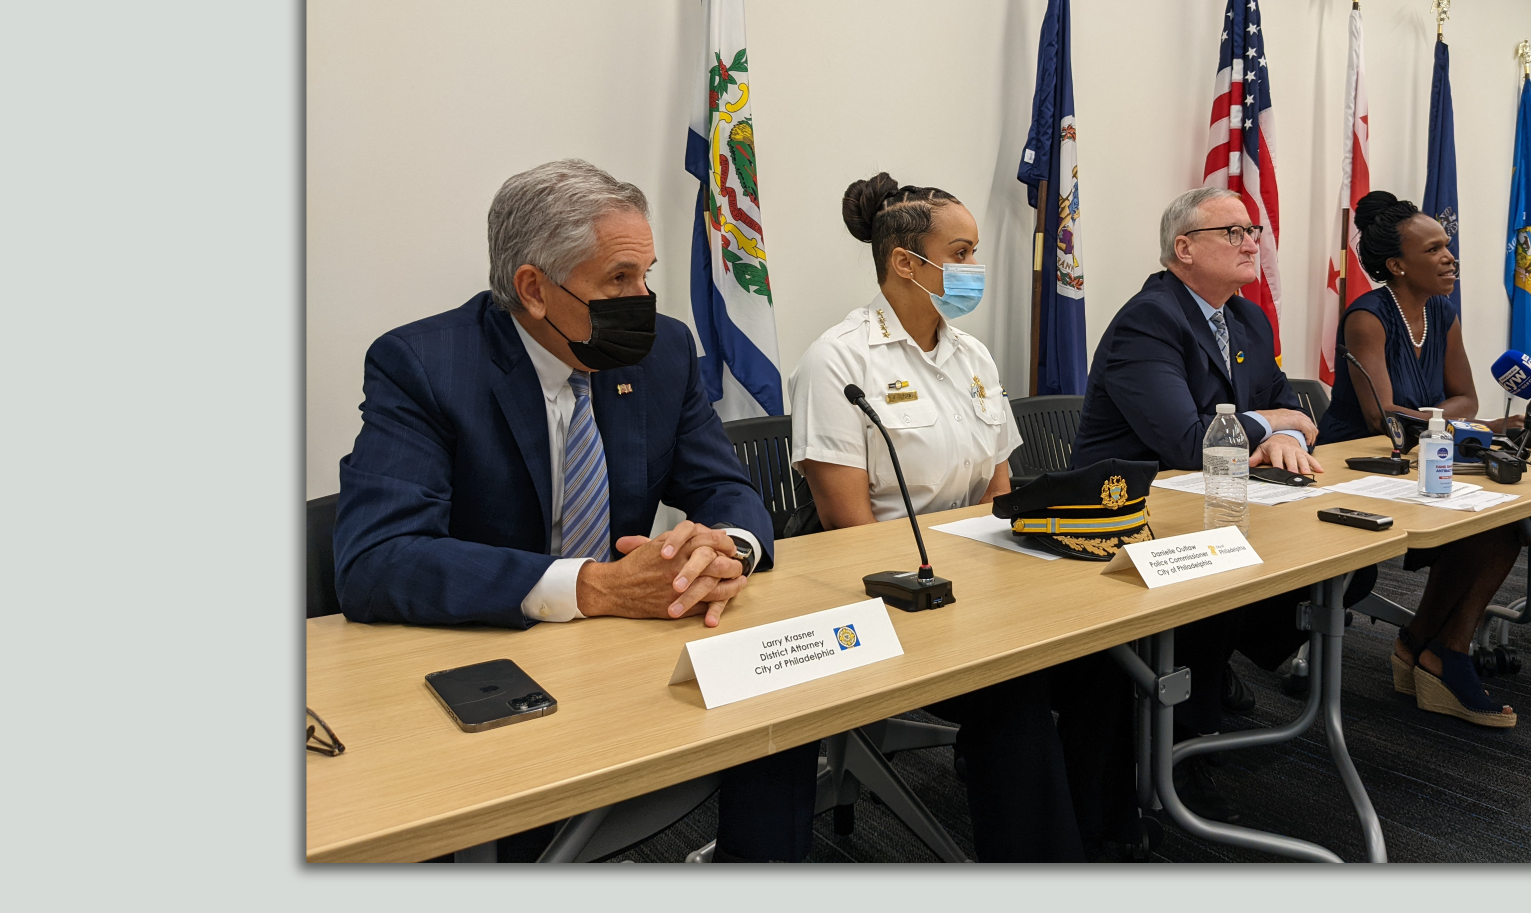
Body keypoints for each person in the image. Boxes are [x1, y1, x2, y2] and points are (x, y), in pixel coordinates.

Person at [332, 159, 818, 860]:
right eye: (619, 280)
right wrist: (593, 587)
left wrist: (727, 550)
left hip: (631, 656)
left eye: (647, 276)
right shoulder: (424, 365)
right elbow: (376, 559)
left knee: (786, 717)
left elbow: (725, 488)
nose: (644, 299)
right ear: (533, 288)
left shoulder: (664, 353)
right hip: (495, 661)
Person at [786, 172, 1083, 862]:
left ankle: (1108, 832)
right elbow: (847, 531)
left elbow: (998, 490)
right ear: (905, 262)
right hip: (894, 593)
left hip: (985, 575)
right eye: (961, 252)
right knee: (1016, 690)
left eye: (974, 251)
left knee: (1097, 658)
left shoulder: (972, 354)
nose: (973, 268)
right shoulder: (838, 359)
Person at [1065, 186, 1373, 829]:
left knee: (1351, 564)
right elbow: (1183, 440)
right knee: (1223, 588)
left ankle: (1213, 675)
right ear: (1185, 249)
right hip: (1129, 516)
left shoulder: (1247, 318)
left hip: (1218, 501)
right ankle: (1180, 745)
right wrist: (1275, 422)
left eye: (1253, 231)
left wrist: (1285, 432)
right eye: (1234, 233)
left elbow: (1288, 405)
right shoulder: (1149, 319)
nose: (1252, 242)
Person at [1317, 190, 1523, 729]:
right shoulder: (1367, 317)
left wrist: (1449, 420)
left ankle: (1428, 648)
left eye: (1448, 246)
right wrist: (1464, 424)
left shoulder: (1443, 312)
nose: (1449, 258)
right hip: (1354, 467)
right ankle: (1434, 651)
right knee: (1483, 526)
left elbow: (1467, 398)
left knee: (1500, 526)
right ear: (1397, 265)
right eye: (1433, 249)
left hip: (1420, 455)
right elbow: (1382, 417)